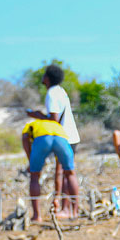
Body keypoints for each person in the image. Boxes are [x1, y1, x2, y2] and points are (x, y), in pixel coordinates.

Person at [26, 64, 81, 214]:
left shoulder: (52, 93)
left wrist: (37, 115)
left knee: (62, 173)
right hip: (71, 135)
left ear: (48, 78)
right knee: (67, 172)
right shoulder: (61, 91)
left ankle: (65, 208)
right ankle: (70, 209)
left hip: (62, 136)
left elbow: (54, 119)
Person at [21, 119, 79, 221]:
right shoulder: (56, 126)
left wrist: (30, 159)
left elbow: (25, 137)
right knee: (70, 173)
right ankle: (74, 212)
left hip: (42, 139)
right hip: (61, 140)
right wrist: (56, 196)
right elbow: (59, 172)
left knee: (34, 176)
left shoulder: (31, 124)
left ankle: (36, 215)